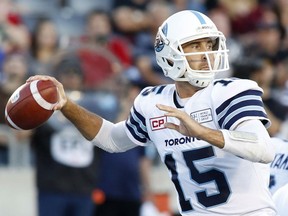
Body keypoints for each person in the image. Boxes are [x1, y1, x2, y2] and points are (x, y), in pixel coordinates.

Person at [27, 10, 277, 215]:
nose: (206, 53)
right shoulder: (151, 101)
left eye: (209, 45)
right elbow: (113, 139)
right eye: (195, 45)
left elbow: (262, 149)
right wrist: (67, 105)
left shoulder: (232, 90)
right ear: (170, 54)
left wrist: (202, 132)